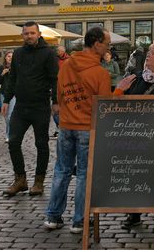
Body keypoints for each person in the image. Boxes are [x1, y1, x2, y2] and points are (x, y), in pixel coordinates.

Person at [44, 27, 112, 233]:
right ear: (97, 43)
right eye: (107, 43)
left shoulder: (67, 65)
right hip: (86, 128)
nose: (108, 47)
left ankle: (53, 216)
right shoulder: (100, 73)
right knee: (84, 174)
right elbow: (104, 106)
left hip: (66, 125)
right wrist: (120, 90)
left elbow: (60, 94)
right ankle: (79, 221)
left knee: (62, 170)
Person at [114, 39, 154, 230]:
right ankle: (133, 214)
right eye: (148, 52)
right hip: (137, 137)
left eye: (153, 53)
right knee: (135, 174)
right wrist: (120, 91)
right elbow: (121, 105)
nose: (148, 55)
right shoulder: (137, 78)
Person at [4, 21, 58, 198]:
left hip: (40, 106)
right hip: (21, 106)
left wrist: (56, 101)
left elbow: (55, 79)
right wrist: (6, 99)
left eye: (32, 33)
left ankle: (39, 181)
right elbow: (13, 78)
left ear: (38, 34)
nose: (29, 36)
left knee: (41, 144)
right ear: (23, 35)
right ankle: (20, 180)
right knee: (13, 142)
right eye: (26, 33)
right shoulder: (18, 53)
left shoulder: (49, 53)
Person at [0, 50, 16, 142]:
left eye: (12, 56)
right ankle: (9, 133)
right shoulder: (0, 68)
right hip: (4, 93)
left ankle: (10, 135)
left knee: (11, 115)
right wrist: (2, 74)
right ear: (5, 58)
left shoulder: (17, 67)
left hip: (15, 94)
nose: (10, 58)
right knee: (6, 116)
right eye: (8, 56)